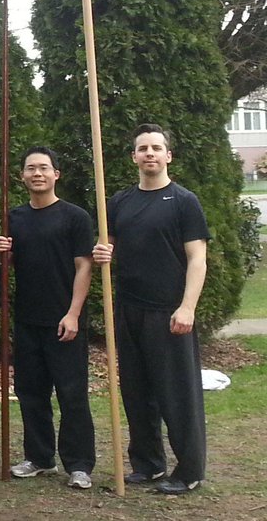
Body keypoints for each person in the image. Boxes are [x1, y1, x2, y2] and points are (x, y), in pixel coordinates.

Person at [92, 124, 209, 495]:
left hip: (169, 312)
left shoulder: (184, 201)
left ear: (168, 155)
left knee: (177, 395)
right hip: (129, 309)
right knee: (137, 393)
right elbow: (107, 247)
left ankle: (189, 471)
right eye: (143, 148)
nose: (149, 154)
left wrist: (187, 307)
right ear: (134, 157)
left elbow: (197, 259)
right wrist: (102, 253)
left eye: (156, 148)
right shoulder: (119, 202)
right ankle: (148, 465)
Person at [0, 147, 96, 489]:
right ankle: (39, 457)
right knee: (30, 392)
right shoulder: (15, 218)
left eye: (44, 168)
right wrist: (2, 254)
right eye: (30, 169)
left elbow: (84, 266)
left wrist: (73, 313)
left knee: (72, 393)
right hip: (28, 319)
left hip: (65, 320)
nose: (37, 174)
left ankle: (79, 464)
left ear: (56, 174)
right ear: (22, 176)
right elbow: (9, 267)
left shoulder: (75, 217)